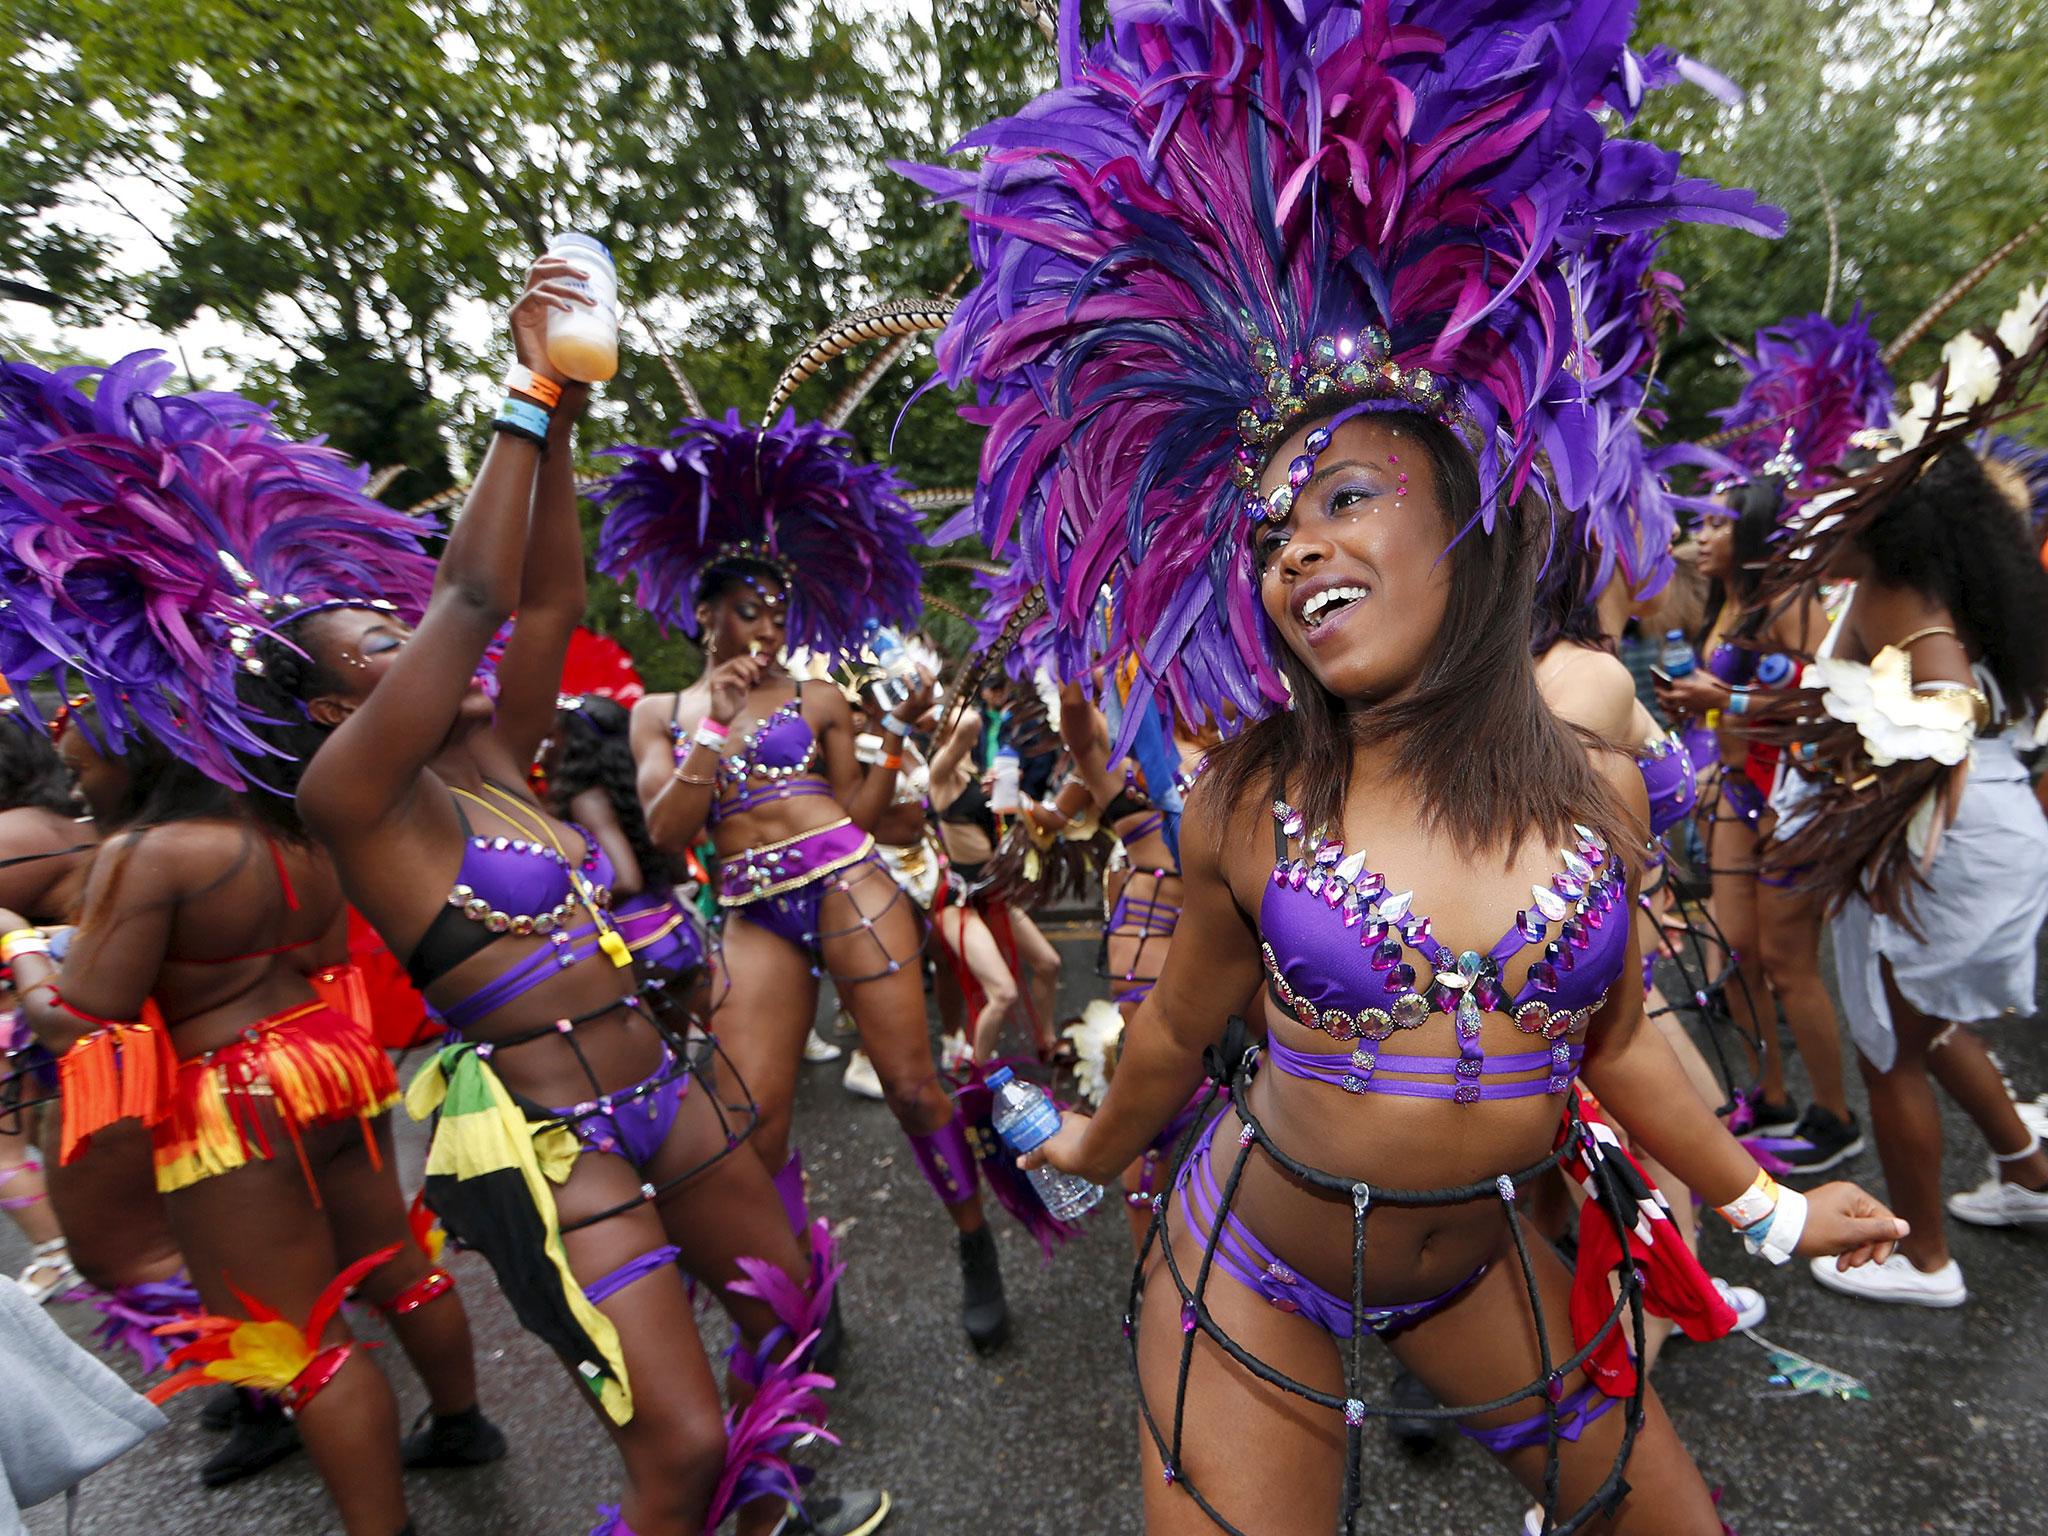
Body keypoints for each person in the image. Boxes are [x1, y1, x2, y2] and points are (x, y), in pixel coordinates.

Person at [911, 1, 1909, 1528]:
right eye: (1267, 529)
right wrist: (1077, 1145)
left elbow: (1623, 1031)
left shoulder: (1592, 786)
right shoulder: (1251, 794)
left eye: (1348, 493)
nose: (1293, 541)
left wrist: (1766, 1206)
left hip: (1481, 1263)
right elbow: (1180, 1035)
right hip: (1254, 1266)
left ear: (1468, 514)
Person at [0, 350, 506, 1533]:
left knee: (296, 1338)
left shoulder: (150, 856)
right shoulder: (301, 827)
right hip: (334, 1058)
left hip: (232, 1098)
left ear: (135, 734)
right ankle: (463, 1420)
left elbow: (89, 1018)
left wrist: (25, 955)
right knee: (392, 1257)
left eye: (81, 729)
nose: (70, 752)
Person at [606, 403, 1013, 1357]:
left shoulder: (822, 697)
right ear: (705, 613)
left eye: (779, 611)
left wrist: (897, 752)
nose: (768, 626)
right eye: (749, 608)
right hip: (750, 910)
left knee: (916, 1090)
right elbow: (669, 832)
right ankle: (797, 1296)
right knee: (750, 1125)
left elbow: (861, 814)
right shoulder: (657, 714)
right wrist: (715, 723)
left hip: (847, 883)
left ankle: (974, 1244)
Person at [1756, 293, 2048, 1306]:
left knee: (1888, 1051)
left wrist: (1854, 810)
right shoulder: (1885, 596)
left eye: (1844, 498)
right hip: (1980, 836)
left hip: (1947, 845)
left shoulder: (1917, 622)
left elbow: (1936, 729)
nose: (1821, 510)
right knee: (1921, 1029)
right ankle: (2027, 1168)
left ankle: (1923, 1261)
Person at [1655, 476, 1850, 1169]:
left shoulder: (1789, 598)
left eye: (1716, 524)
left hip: (1789, 793)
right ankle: (1771, 1093)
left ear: (1756, 528)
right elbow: (1731, 698)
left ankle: (1835, 1115)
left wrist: (1726, 693)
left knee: (1790, 965)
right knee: (1736, 955)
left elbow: (1834, 693)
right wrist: (1695, 704)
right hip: (1734, 787)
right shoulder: (1724, 601)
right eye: (1700, 524)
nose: (1699, 537)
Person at [0, 708, 95, 1302]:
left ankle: (60, 1251)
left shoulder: (13, 834)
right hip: (78, 998)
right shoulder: (78, 820)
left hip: (33, 1011)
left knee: (5, 1147)